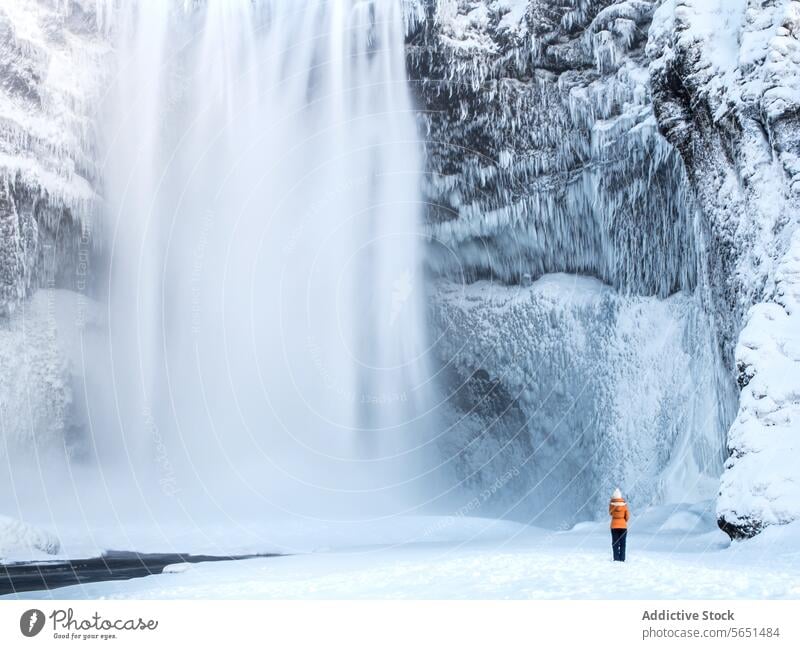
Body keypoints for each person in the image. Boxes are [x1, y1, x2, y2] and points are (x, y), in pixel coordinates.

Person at [609, 487, 629, 561]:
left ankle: (616, 559)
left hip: (614, 526)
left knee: (615, 543)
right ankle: (622, 558)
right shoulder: (624, 505)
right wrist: (623, 521)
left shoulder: (612, 504)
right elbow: (627, 516)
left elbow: (610, 513)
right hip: (623, 527)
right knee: (623, 543)